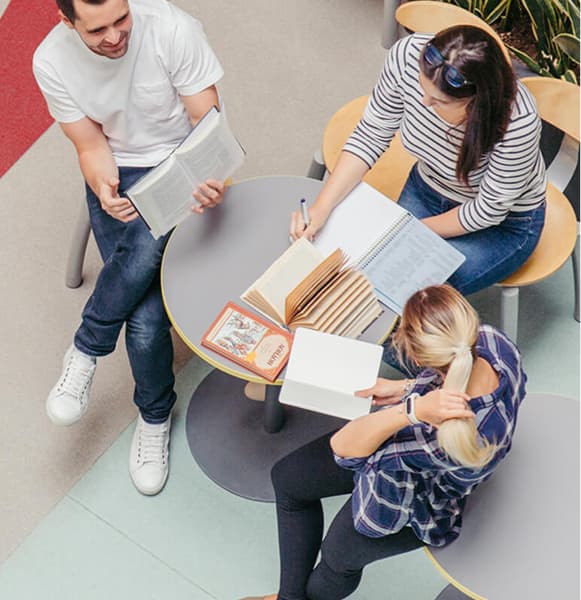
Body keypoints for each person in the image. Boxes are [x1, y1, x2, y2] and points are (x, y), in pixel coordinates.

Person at [33, 0, 226, 496]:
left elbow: (207, 123)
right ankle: (155, 416)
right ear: (66, 22)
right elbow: (90, 145)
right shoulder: (50, 60)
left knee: (143, 297)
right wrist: (103, 186)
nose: (116, 36)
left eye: (122, 19)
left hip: (183, 164)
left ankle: (88, 348)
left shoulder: (173, 29)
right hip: (121, 171)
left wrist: (207, 175)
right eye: (97, 30)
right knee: (145, 317)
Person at [241, 284, 526, 600]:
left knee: (336, 559)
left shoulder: (438, 434)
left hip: (418, 502)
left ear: (417, 355)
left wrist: (412, 409)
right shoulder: (493, 342)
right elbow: (460, 379)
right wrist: (407, 388)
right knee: (288, 478)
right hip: (431, 461)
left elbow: (345, 450)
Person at [290, 25, 546, 297]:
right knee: (369, 274)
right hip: (429, 188)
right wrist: (322, 207)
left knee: (407, 294)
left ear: (477, 104)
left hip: (502, 224)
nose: (423, 102)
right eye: (422, 89)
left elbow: (487, 211)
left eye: (438, 102)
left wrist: (408, 233)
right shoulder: (407, 56)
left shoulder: (519, 123)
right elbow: (371, 133)